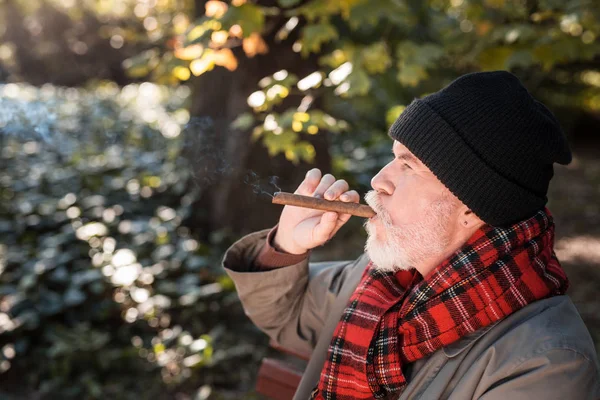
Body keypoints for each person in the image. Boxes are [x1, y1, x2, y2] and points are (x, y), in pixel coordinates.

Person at [222, 71, 600, 399]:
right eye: (393, 157)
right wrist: (286, 246)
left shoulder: (548, 364)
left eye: (408, 166)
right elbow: (288, 319)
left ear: (472, 206)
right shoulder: (385, 276)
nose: (378, 180)